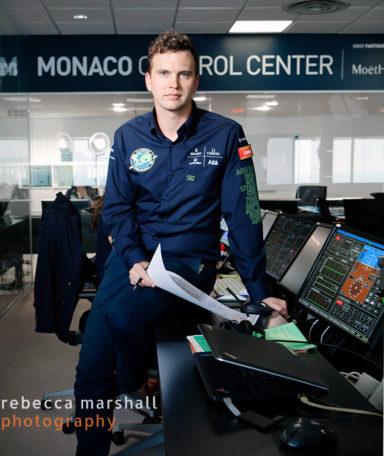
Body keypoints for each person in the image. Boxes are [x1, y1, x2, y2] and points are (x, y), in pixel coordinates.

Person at [74, 29, 287, 456]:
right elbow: (116, 209)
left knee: (126, 317)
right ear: (148, 80)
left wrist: (261, 292)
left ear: (196, 80)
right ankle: (94, 444)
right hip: (131, 256)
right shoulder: (128, 136)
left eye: (184, 74)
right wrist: (133, 259)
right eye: (164, 73)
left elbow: (243, 215)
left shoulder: (226, 134)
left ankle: (135, 380)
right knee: (91, 368)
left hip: (188, 258)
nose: (174, 83)